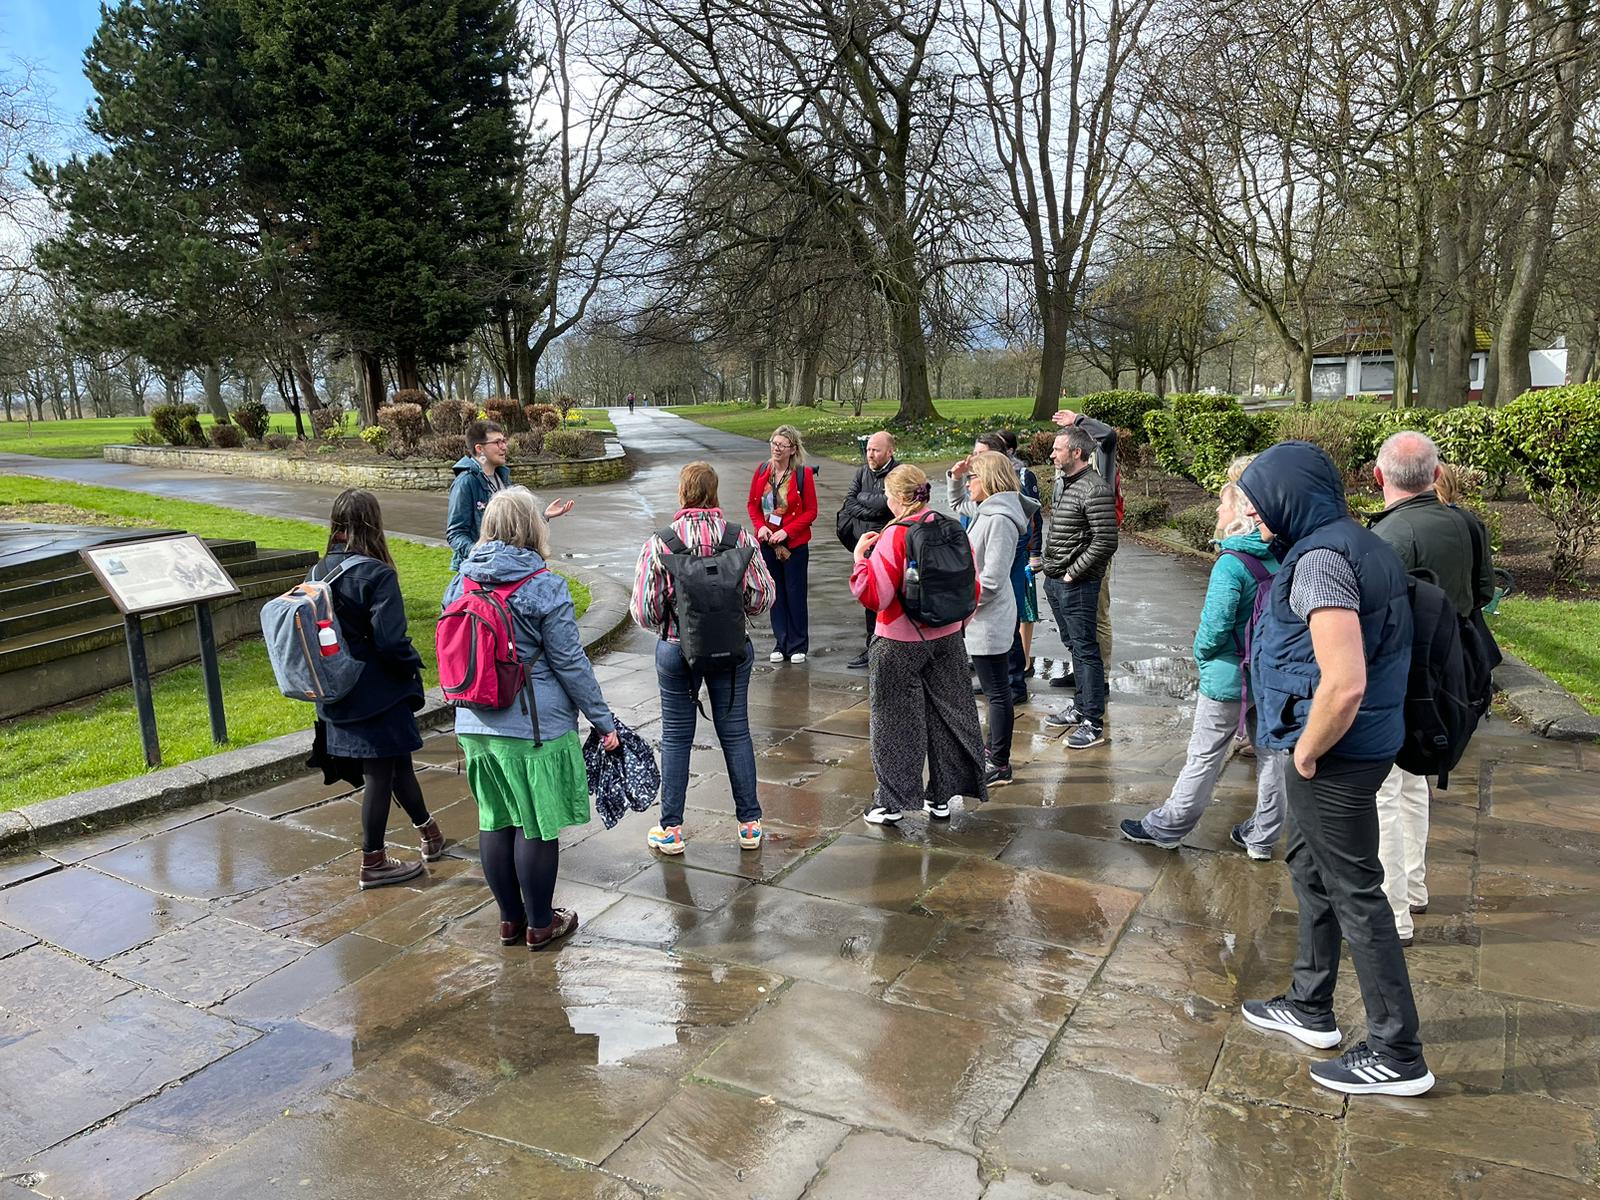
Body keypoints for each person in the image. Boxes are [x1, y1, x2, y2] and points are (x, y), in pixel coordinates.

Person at [1236, 439, 1433, 1097]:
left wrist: (1307, 748)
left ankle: (1397, 1049)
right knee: (1309, 865)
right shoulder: (1358, 540)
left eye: (1263, 506)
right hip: (1363, 743)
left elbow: (1344, 681)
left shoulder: (1320, 560)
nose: (1257, 519)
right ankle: (1309, 1003)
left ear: (1291, 499)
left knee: (1356, 892)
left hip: (1336, 752)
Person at [444, 487, 619, 950]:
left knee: (495, 820)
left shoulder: (460, 581)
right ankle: (541, 923)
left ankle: (509, 921)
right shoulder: (543, 585)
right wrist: (604, 721)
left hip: (475, 723)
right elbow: (570, 663)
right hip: (532, 729)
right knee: (535, 825)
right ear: (532, 528)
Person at [1120, 458, 1287, 859]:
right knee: (1272, 755)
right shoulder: (1279, 557)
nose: (1216, 510)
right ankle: (1263, 838)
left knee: (1205, 754)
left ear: (1238, 517)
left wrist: (1203, 655)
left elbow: (1213, 629)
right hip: (1268, 673)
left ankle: (1168, 826)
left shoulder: (1231, 564)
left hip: (1228, 676)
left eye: (1222, 505)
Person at [1367, 431, 1496, 946]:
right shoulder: (1466, 521)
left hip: (1407, 677)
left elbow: (1377, 621)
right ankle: (1414, 887)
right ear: (1434, 472)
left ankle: (1394, 912)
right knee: (1416, 780)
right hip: (1458, 669)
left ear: (1379, 477)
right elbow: (1483, 592)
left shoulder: (1388, 537)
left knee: (1386, 790)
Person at [633, 462, 776, 854]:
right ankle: (749, 825)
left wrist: (674, 617)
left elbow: (644, 611)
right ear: (715, 493)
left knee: (677, 738)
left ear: (682, 493)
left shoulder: (660, 543)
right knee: (736, 733)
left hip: (677, 649)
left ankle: (671, 830)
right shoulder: (739, 537)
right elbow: (763, 597)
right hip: (732, 650)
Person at [308, 489, 443, 890]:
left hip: (336, 686)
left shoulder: (317, 572)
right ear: (374, 522)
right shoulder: (377, 573)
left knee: (396, 763)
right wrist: (413, 664)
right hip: (376, 691)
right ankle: (374, 861)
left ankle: (429, 832)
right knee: (380, 773)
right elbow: (390, 641)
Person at [850, 464, 987, 824]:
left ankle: (891, 804)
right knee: (947, 716)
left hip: (897, 640)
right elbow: (973, 587)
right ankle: (941, 798)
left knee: (893, 721)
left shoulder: (894, 535)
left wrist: (859, 560)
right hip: (948, 639)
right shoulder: (952, 527)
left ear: (896, 498)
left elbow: (876, 595)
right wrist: (955, 627)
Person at [948, 451, 1030, 787]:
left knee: (998, 692)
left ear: (990, 480)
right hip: (982, 617)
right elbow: (957, 505)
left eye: (973, 477)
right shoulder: (989, 510)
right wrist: (955, 477)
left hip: (990, 618)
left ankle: (1000, 762)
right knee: (995, 691)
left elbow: (993, 580)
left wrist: (960, 605)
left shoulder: (998, 519)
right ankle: (994, 752)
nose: (969, 484)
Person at [1040, 426, 1118, 750]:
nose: (1052, 454)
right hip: (1056, 581)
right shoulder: (1064, 484)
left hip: (1078, 585)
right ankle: (1080, 707)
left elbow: (1106, 541)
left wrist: (1073, 573)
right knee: (1075, 647)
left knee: (1086, 651)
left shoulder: (1094, 488)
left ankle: (1092, 722)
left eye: (1057, 449)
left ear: (1076, 452)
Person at [446, 420, 574, 572]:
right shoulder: (466, 482)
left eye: (504, 441)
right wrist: (480, 554)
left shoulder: (502, 477)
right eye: (497, 442)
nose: (504, 447)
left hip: (507, 564)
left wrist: (543, 515)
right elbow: (455, 534)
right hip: (479, 569)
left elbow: (511, 520)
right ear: (479, 448)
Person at [1053, 407, 1121, 667]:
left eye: (1060, 448)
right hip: (1069, 555)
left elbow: (1108, 436)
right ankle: (1082, 670)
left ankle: (1100, 675)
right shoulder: (1064, 474)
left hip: (1093, 554)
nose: (1054, 453)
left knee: (1097, 614)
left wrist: (1079, 420)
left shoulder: (1100, 463)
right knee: (1076, 619)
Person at [747, 424, 817, 663]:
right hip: (768, 543)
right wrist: (761, 528)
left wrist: (786, 532)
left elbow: (811, 512)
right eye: (774, 444)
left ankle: (798, 644)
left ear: (792, 449)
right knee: (776, 594)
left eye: (781, 445)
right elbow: (753, 507)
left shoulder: (802, 474)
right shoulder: (761, 471)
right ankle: (781, 642)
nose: (776, 449)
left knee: (795, 593)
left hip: (793, 545)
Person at [837, 431, 899, 670]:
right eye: (868, 449)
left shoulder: (897, 473)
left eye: (876, 450)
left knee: (888, 596)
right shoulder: (861, 473)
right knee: (869, 598)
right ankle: (871, 646)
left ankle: (889, 645)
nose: (870, 454)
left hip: (887, 542)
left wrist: (866, 503)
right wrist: (869, 505)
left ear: (889, 452)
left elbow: (887, 506)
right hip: (864, 543)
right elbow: (850, 502)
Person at [999, 429, 1043, 695]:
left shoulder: (1024, 474)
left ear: (1012, 450)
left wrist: (1036, 552)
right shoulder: (992, 475)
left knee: (1025, 606)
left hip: (1023, 550)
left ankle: (1025, 660)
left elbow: (1034, 516)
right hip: (1006, 549)